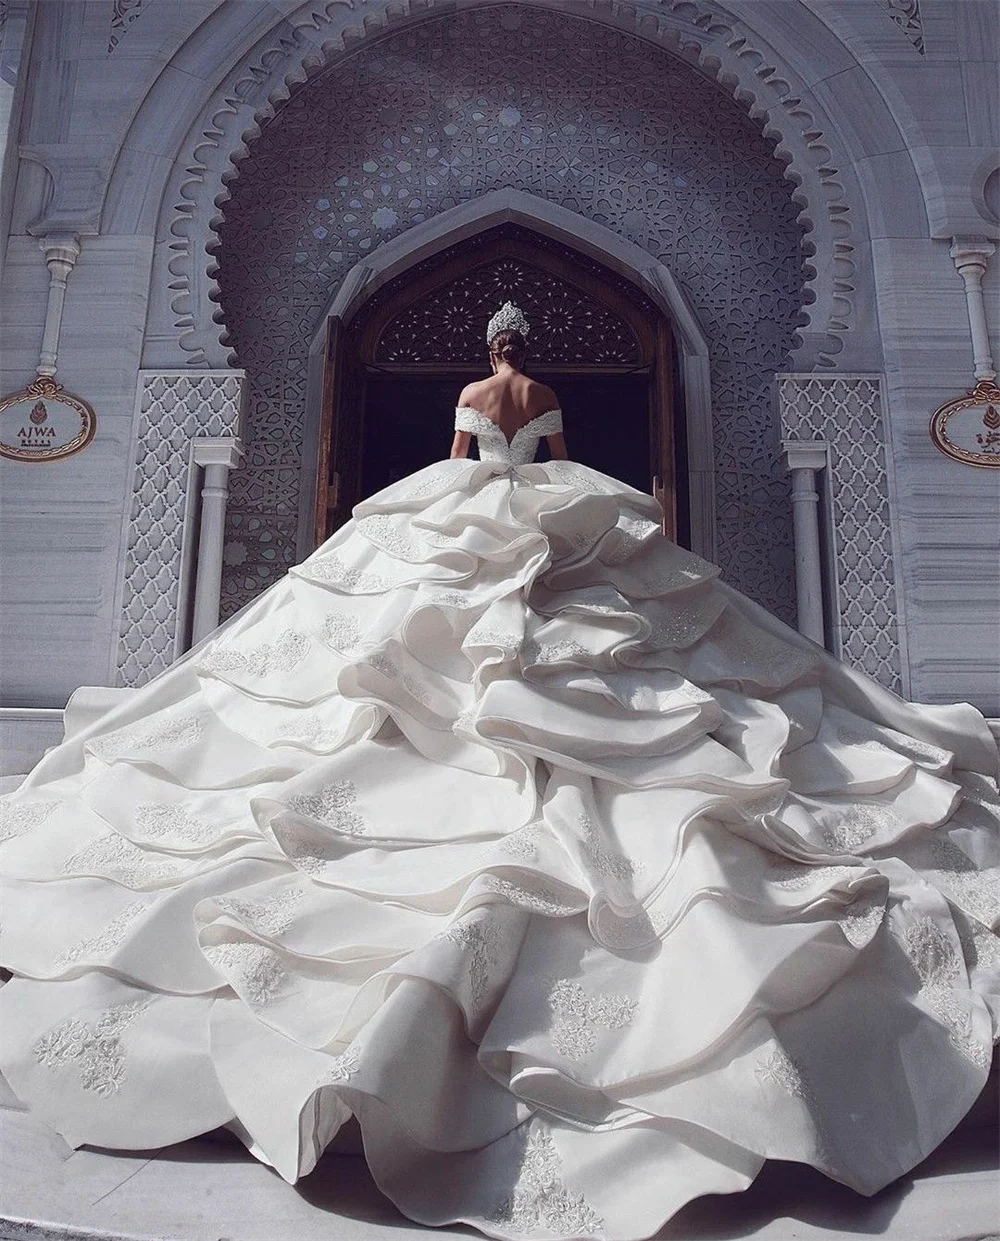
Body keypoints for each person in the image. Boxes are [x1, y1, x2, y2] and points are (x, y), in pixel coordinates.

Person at [1, 299, 997, 1241]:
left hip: (473, 516)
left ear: (489, 350)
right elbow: (557, 462)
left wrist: (470, 480)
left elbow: (455, 463)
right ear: (529, 348)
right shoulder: (541, 402)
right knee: (603, 665)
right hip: (548, 519)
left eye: (495, 349)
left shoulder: (475, 401)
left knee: (420, 664)